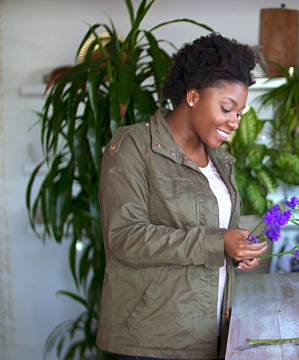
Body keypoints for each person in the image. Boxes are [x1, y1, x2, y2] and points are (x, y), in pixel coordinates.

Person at [97, 32, 269, 360]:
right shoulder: (134, 146)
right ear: (192, 96)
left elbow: (210, 231)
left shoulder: (220, 160)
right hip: (156, 339)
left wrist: (237, 250)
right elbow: (125, 238)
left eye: (239, 113)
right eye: (227, 108)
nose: (234, 122)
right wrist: (218, 241)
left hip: (215, 332)